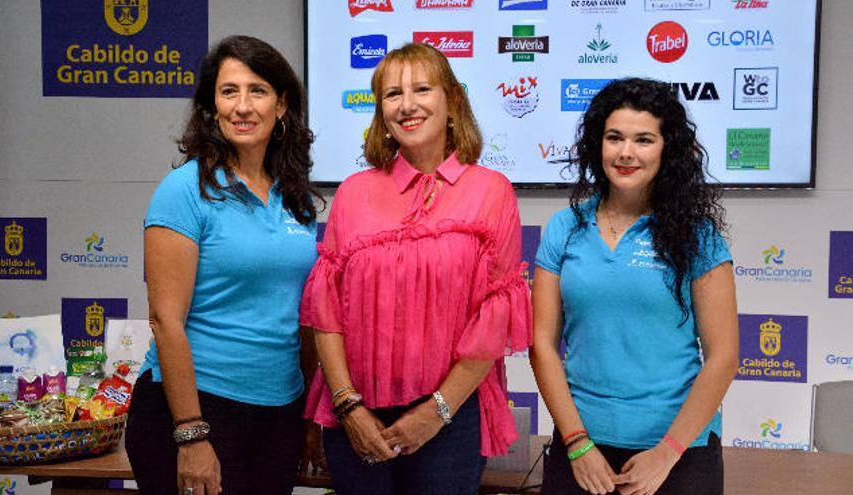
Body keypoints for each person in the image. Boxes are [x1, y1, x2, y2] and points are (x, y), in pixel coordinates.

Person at [301, 43, 532, 495]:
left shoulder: (491, 191)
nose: (407, 105)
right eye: (392, 94)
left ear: (452, 102)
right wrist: (349, 407)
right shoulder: (353, 192)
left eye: (422, 89)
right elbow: (327, 313)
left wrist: (435, 412)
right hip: (356, 416)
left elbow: (493, 320)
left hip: (450, 416)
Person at [125, 35, 321, 495]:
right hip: (197, 412)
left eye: (258, 90)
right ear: (212, 107)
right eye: (229, 91)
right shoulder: (185, 190)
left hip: (280, 411)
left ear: (282, 105)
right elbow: (165, 321)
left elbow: (305, 319)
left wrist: (311, 417)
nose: (243, 106)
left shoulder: (296, 200)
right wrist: (192, 434)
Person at [529, 78, 738, 495]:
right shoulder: (565, 229)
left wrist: (667, 453)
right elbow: (541, 344)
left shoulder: (697, 235)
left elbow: (724, 356)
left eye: (644, 139)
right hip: (581, 449)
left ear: (667, 149)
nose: (626, 152)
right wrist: (576, 444)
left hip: (678, 454)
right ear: (597, 144)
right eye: (614, 138)